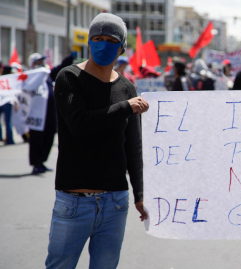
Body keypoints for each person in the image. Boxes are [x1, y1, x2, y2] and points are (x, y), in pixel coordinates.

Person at [45, 13, 149, 268]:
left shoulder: (127, 88)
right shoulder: (68, 78)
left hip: (115, 203)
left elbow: (132, 146)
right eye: (97, 38)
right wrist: (126, 107)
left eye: (111, 40)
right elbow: (80, 124)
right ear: (89, 42)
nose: (103, 44)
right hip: (74, 202)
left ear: (122, 47)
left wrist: (140, 193)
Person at [28, 52, 75, 174]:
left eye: (42, 61)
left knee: (48, 137)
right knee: (36, 140)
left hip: (48, 113)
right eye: (38, 61)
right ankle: (36, 163)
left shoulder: (47, 75)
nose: (41, 63)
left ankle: (42, 161)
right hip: (36, 114)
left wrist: (69, 58)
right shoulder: (29, 77)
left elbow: (60, 69)